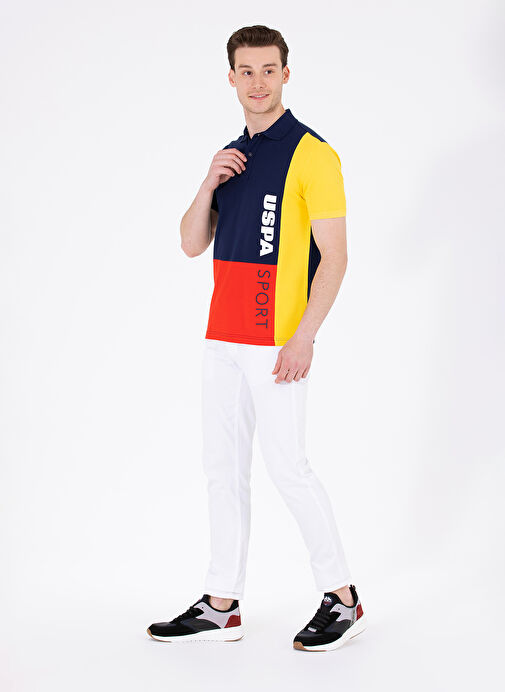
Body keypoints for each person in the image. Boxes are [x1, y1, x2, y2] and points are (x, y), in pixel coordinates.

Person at [147, 24, 367, 653]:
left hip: (276, 343)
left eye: (269, 69)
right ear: (231, 78)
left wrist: (304, 337)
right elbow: (191, 244)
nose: (258, 82)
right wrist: (207, 183)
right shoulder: (228, 158)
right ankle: (221, 604)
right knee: (222, 469)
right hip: (222, 338)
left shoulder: (313, 154)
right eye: (246, 71)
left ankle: (343, 598)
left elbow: (336, 256)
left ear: (285, 74)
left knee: (288, 468)